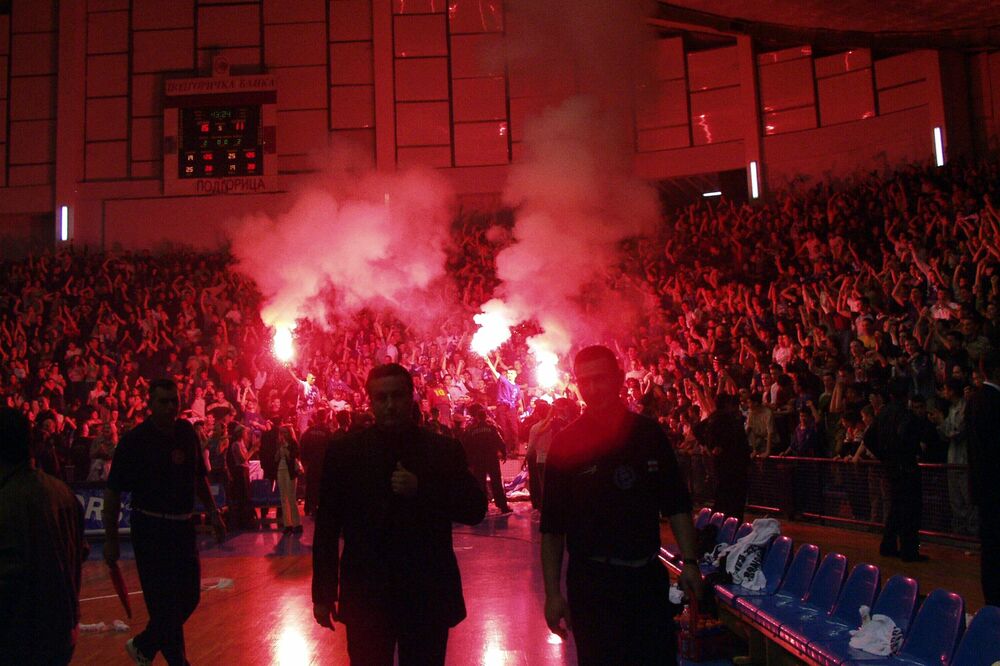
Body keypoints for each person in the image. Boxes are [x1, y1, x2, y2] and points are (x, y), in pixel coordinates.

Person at [312, 363, 487, 665]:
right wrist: (323, 594)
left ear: (411, 397)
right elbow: (327, 526)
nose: (390, 405)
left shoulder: (443, 450)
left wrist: (423, 488)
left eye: (397, 396)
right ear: (371, 401)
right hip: (368, 595)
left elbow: (475, 509)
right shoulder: (345, 453)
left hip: (424, 594)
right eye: (382, 398)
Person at [540, 346, 702, 665]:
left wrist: (691, 562)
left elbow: (676, 504)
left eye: (600, 378)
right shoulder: (565, 444)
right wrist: (552, 594)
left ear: (618, 378)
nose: (592, 388)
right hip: (592, 584)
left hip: (645, 579)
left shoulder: (649, 434)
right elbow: (552, 527)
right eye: (584, 381)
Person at [103, 378, 226, 666]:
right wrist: (111, 540)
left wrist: (214, 512)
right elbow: (112, 492)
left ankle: (144, 645)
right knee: (163, 604)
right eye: (164, 401)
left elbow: (198, 477)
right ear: (150, 404)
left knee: (189, 596)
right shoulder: (135, 441)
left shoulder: (186, 432)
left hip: (182, 527)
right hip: (150, 530)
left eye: (175, 401)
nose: (171, 407)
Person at [0, 407, 87, 665]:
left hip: (19, 635)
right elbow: (81, 551)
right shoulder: (63, 492)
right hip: (61, 630)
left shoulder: (8, 499)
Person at [863, 382, 925, 561]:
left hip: (891, 467)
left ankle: (888, 545)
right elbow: (907, 439)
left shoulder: (883, 414)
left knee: (896, 506)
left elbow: (868, 438)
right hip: (906, 467)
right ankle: (909, 551)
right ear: (906, 396)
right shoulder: (906, 415)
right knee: (910, 510)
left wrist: (884, 457)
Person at [964, 356, 1000, 606]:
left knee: (989, 546)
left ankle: (992, 597)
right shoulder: (994, 401)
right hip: (995, 484)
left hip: (982, 483)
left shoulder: (974, 401)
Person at [694, 393, 750, 521]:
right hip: (733, 462)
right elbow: (736, 440)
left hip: (722, 462)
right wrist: (711, 446)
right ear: (727, 404)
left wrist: (708, 446)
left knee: (722, 492)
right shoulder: (727, 418)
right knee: (734, 494)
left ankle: (719, 521)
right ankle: (731, 521)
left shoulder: (715, 417)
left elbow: (697, 429)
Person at [459, 403, 512, 514]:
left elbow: (465, 444)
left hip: (478, 459)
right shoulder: (492, 427)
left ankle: (482, 506)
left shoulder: (471, 429)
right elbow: (500, 441)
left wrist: (468, 459)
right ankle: (502, 506)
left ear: (477, 417)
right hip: (492, 458)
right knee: (496, 482)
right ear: (485, 416)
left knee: (480, 483)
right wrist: (504, 453)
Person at [485, 355, 522, 455]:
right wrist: (489, 362)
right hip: (502, 406)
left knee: (514, 428)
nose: (509, 375)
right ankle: (504, 449)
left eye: (511, 373)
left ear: (515, 375)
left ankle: (516, 449)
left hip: (512, 408)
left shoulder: (517, 387)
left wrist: (521, 407)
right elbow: (495, 373)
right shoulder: (504, 381)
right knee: (503, 428)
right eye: (508, 373)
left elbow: (518, 399)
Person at [290, 368, 322, 434]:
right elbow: (294, 378)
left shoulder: (316, 389)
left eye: (313, 378)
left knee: (303, 430)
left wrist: (316, 405)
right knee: (299, 428)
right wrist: (289, 370)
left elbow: (318, 400)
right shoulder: (303, 384)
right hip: (301, 411)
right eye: (311, 378)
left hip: (308, 412)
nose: (312, 380)